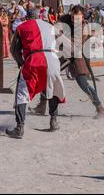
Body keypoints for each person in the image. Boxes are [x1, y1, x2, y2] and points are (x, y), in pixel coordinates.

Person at [30, 5, 104, 120]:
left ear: (82, 16)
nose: (73, 20)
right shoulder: (64, 19)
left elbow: (75, 45)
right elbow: (54, 30)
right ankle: (42, 105)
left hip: (75, 56)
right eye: (72, 17)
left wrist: (63, 37)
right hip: (61, 54)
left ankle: (99, 107)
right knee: (47, 76)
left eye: (76, 18)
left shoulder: (84, 27)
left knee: (83, 84)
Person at [6, 9, 66, 139]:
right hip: (52, 59)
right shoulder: (51, 26)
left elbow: (14, 49)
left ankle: (19, 127)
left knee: (22, 93)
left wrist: (21, 63)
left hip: (34, 60)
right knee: (53, 90)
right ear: (40, 16)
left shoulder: (21, 27)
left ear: (27, 17)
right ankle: (53, 121)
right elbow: (62, 44)